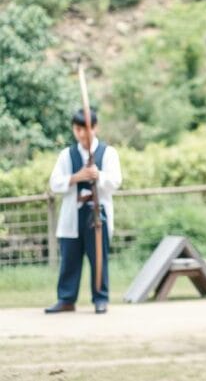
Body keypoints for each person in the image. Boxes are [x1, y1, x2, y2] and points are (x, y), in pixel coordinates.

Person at [46, 108, 123, 314]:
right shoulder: (67, 155)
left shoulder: (108, 153)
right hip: (73, 214)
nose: (81, 134)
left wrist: (98, 175)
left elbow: (115, 181)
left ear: (95, 128)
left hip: (99, 214)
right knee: (69, 257)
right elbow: (54, 183)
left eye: (86, 128)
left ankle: (100, 298)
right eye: (77, 129)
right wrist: (76, 177)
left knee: (98, 256)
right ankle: (66, 299)